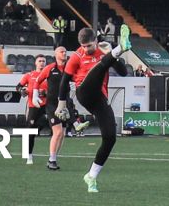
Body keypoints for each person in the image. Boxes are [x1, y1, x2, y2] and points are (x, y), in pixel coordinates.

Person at [56, 25, 132, 193]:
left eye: (89, 46)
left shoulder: (103, 51)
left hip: (99, 99)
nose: (86, 49)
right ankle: (122, 47)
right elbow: (64, 80)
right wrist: (61, 103)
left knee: (110, 138)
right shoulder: (76, 56)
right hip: (84, 91)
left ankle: (91, 176)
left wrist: (110, 53)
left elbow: (124, 72)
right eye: (83, 46)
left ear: (95, 41)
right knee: (98, 69)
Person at [36, 46, 90, 170]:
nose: (64, 53)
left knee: (63, 134)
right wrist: (35, 95)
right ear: (56, 54)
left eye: (65, 51)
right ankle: (52, 159)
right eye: (62, 51)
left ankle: (53, 158)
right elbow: (37, 81)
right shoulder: (50, 68)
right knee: (58, 132)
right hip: (52, 105)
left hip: (65, 103)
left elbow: (78, 78)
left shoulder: (69, 68)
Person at [18, 55, 50, 165]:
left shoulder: (49, 75)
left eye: (43, 61)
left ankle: (53, 157)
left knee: (55, 125)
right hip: (33, 106)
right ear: (35, 63)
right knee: (30, 131)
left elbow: (55, 90)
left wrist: (46, 93)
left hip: (47, 105)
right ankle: (29, 156)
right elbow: (18, 87)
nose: (42, 63)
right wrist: (22, 91)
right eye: (40, 61)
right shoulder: (29, 75)